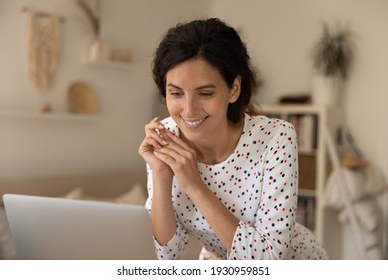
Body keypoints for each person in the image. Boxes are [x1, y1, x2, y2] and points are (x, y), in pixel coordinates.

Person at [138, 18, 328, 260]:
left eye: (205, 93)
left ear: (234, 89)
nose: (188, 110)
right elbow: (164, 255)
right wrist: (161, 175)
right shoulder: (165, 138)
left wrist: (195, 186)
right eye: (176, 93)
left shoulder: (276, 138)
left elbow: (269, 261)